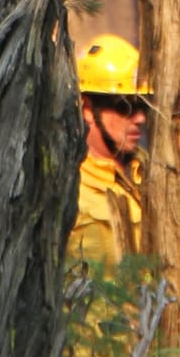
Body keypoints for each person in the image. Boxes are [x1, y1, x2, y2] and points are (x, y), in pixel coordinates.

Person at [69, 33, 150, 267]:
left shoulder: (152, 176)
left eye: (142, 105)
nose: (139, 118)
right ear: (86, 108)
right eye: (124, 106)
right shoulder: (70, 188)